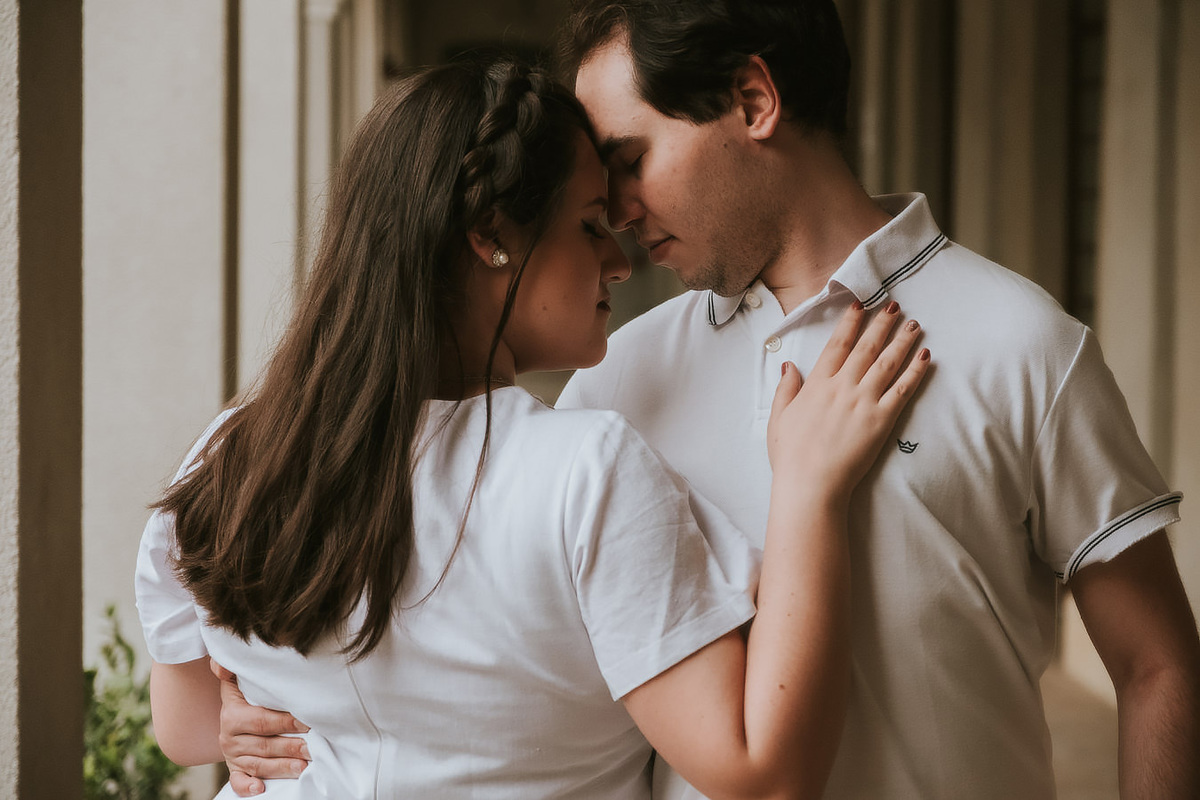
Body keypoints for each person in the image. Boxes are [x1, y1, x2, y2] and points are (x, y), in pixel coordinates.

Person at [214, 1, 1200, 798]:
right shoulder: (612, 376)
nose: (616, 211)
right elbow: (473, 630)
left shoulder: (1025, 345)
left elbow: (1159, 666)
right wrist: (250, 696)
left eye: (629, 159)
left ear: (753, 98)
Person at [136, 54, 932, 799]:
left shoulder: (229, 456)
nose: (621, 261)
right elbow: (765, 772)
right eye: (590, 223)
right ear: (490, 239)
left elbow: (185, 729)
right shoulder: (584, 471)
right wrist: (807, 492)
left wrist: (273, 717)